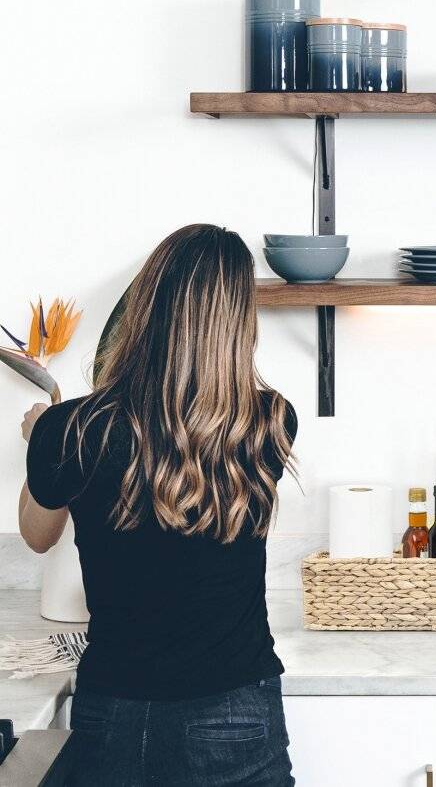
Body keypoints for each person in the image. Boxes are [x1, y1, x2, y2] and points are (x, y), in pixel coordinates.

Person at [18, 224, 298, 786]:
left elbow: (37, 534)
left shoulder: (72, 427)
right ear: (239, 321)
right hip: (234, 707)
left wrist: (40, 442)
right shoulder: (269, 421)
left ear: (144, 304)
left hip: (115, 704)